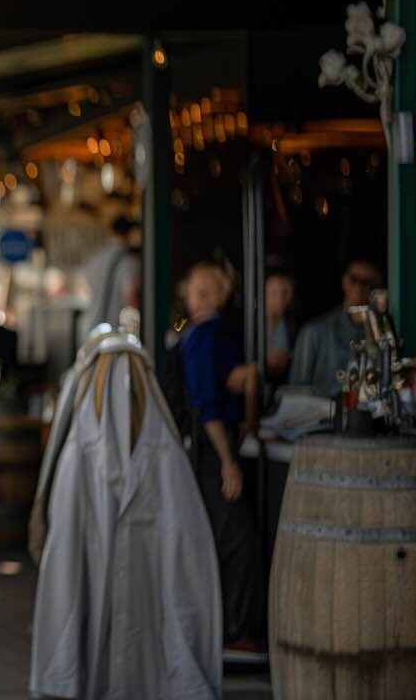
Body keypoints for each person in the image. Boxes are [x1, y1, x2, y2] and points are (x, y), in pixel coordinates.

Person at [177, 262, 264, 650]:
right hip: (211, 448)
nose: (197, 294)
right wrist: (227, 458)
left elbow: (228, 383)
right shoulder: (199, 336)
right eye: (195, 287)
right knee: (235, 538)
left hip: (219, 442)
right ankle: (234, 631)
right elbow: (205, 403)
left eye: (205, 287)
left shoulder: (216, 333)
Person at [289, 259, 382, 396]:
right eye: (354, 279)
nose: (358, 286)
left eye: (366, 282)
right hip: (322, 413)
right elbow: (297, 391)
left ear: (375, 288)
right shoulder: (313, 332)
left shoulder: (382, 334)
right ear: (344, 281)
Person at [79, 216, 141, 337]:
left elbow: (85, 294)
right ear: (129, 234)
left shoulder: (93, 259)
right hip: (116, 336)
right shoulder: (129, 262)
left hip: (91, 333)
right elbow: (130, 299)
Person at [264, 269, 298, 385]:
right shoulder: (256, 325)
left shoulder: (288, 322)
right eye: (273, 293)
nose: (280, 299)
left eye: (285, 292)